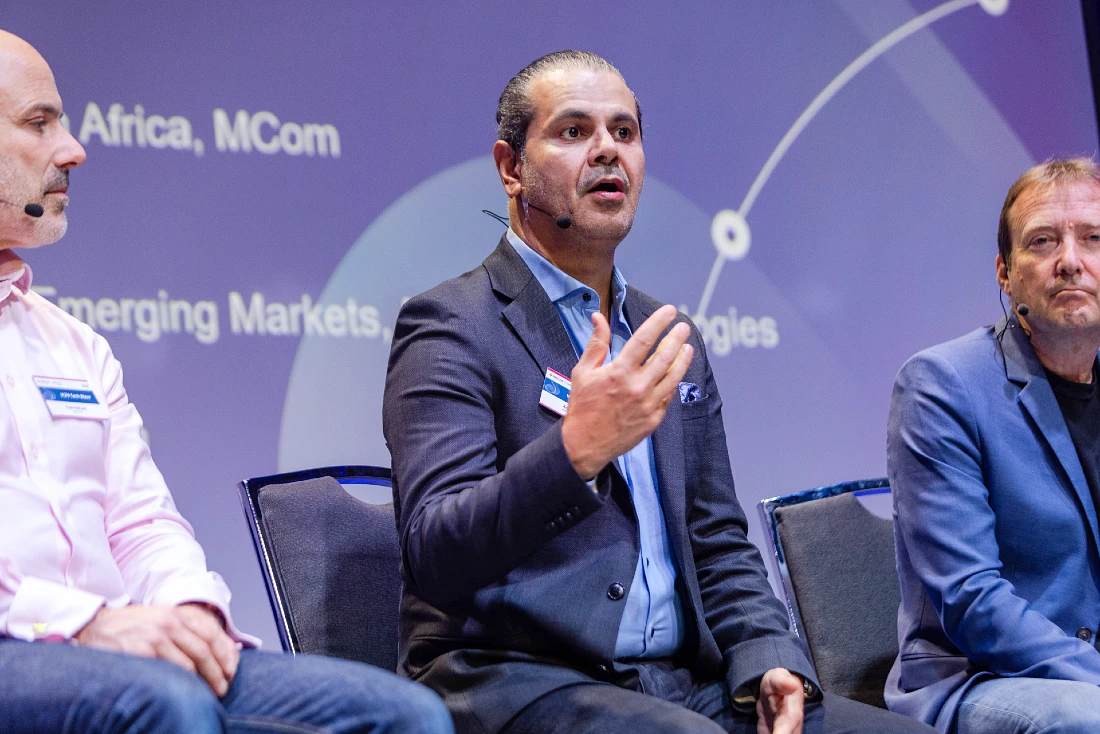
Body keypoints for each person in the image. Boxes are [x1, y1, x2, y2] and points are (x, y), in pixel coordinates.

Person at [383, 50, 934, 734]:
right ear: (510, 168)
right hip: (516, 677)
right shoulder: (453, 323)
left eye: (624, 132)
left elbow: (717, 535)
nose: (608, 151)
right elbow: (435, 553)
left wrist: (769, 660)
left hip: (679, 684)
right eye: (573, 131)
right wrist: (575, 451)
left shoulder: (667, 334)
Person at [0, 28, 453, 734]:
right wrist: (83, 624)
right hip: (23, 643)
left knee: (405, 715)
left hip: (116, 648)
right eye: (38, 123)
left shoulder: (73, 343)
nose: (73, 148)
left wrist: (188, 610)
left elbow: (141, 522)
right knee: (165, 704)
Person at [886, 157, 1100, 733]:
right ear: (1005, 273)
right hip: (982, 676)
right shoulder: (942, 384)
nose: (1071, 262)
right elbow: (971, 599)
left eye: (1093, 238)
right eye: (1043, 241)